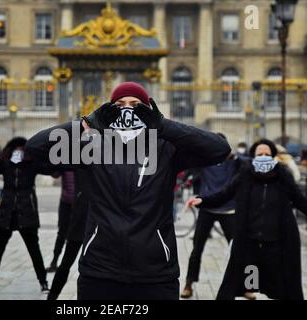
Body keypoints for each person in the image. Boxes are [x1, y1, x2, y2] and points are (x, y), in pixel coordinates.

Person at [26, 81, 231, 300]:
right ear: (110, 110)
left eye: (135, 104)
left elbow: (219, 149)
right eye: (120, 104)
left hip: (155, 273)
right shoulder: (92, 148)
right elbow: (35, 148)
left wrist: (163, 126)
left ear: (148, 109)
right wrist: (85, 124)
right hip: (100, 271)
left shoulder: (165, 147)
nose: (128, 109)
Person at [188, 139, 307, 300]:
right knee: (234, 281)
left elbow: (299, 199)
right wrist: (203, 200)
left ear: (273, 156)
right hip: (249, 240)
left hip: (277, 241)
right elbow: (225, 193)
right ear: (253, 156)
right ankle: (246, 288)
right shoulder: (245, 174)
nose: (263, 157)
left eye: (267, 154)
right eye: (260, 154)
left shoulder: (282, 175)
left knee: (282, 284)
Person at [0, 137, 55, 295]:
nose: (18, 153)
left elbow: (52, 169)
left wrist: (38, 155)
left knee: (34, 250)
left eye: (22, 150)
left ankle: (43, 282)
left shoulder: (31, 164)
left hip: (26, 212)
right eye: (15, 150)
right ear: (10, 151)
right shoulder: (4, 164)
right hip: (6, 212)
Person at [180, 134, 253, 299]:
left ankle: (246, 287)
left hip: (228, 210)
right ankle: (189, 284)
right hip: (207, 209)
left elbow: (249, 166)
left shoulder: (235, 162)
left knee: (239, 249)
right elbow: (187, 170)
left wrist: (236, 156)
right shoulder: (204, 161)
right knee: (196, 249)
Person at [47, 168, 90, 300]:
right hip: (78, 215)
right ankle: (52, 296)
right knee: (66, 262)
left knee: (92, 268)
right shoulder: (76, 158)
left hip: (95, 219)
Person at [46, 170, 75, 273]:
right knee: (62, 233)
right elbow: (55, 174)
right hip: (66, 202)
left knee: (81, 234)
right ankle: (54, 262)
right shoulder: (65, 159)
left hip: (79, 203)